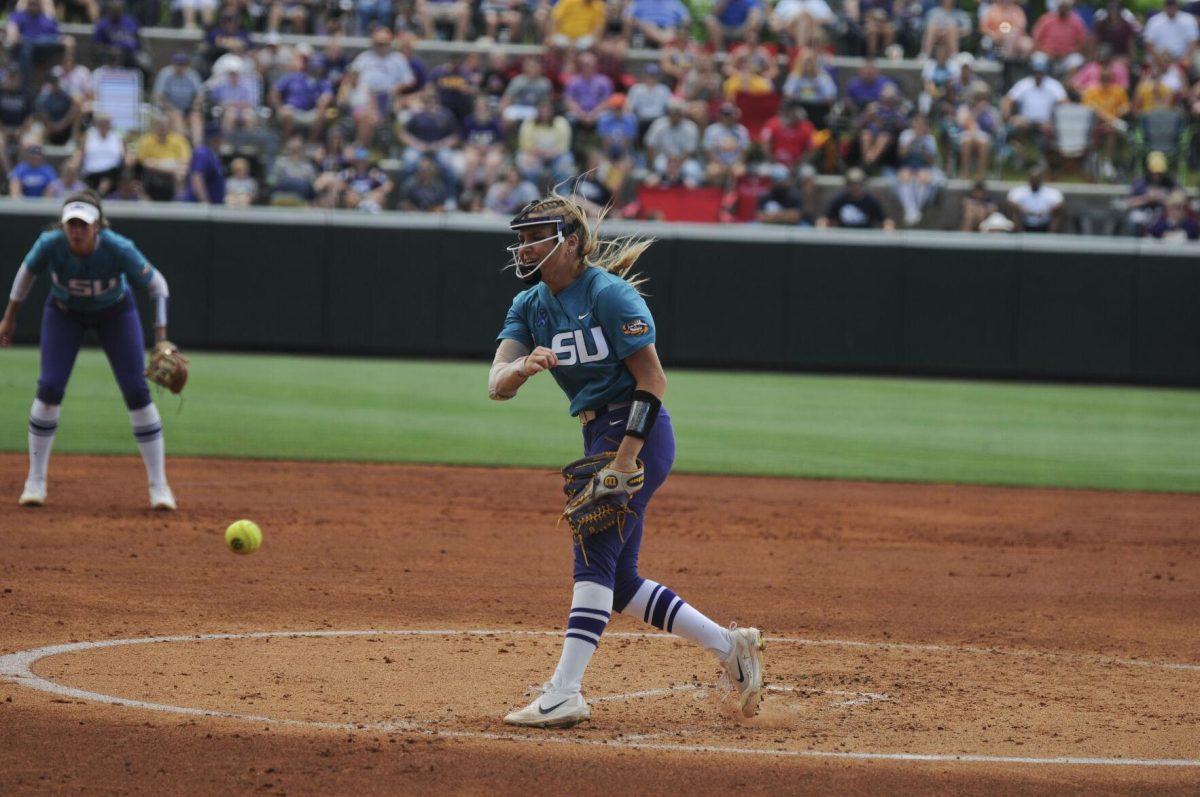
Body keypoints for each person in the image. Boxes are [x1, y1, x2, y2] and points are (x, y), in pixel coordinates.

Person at [488, 193, 766, 728]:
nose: (522, 247)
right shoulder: (529, 306)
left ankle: (565, 692)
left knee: (593, 555)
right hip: (598, 437)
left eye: (533, 237)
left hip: (638, 434)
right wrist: (523, 366)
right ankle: (732, 649)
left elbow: (652, 381)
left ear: (568, 241)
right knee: (619, 581)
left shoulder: (610, 296)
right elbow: (496, 386)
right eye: (521, 238)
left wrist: (625, 460)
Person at [0, 191, 177, 511]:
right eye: (72, 224)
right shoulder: (50, 243)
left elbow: (158, 285)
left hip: (115, 312)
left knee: (137, 391)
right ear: (64, 225)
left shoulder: (118, 247)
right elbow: (26, 274)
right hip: (64, 311)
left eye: (84, 224)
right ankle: (35, 480)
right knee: (50, 387)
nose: (77, 230)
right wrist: (9, 318)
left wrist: (161, 338)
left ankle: (159, 485)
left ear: (98, 226)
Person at [817, 167, 895, 229]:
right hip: (842, 239)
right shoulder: (840, 199)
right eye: (852, 184)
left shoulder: (871, 200)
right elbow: (824, 219)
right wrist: (822, 227)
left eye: (858, 184)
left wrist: (888, 229)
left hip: (866, 240)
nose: (855, 187)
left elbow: (886, 221)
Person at [1006, 167, 1063, 232]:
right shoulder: (1019, 191)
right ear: (1028, 178)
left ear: (1041, 179)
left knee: (1059, 212)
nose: (1035, 181)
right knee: (1013, 211)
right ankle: (1018, 238)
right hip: (1024, 222)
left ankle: (1052, 238)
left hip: (1045, 223)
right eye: (1033, 178)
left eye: (1037, 179)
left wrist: (1046, 211)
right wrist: (1024, 210)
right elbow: (1011, 202)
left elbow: (1059, 204)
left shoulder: (1051, 192)